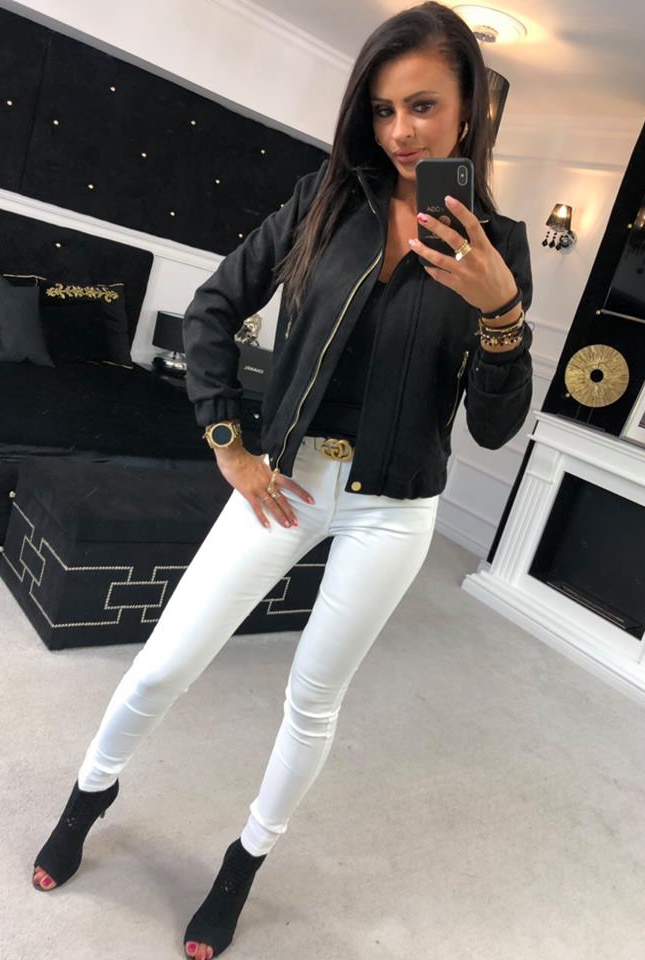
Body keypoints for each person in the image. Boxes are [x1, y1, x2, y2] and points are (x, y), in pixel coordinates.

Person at [31, 3, 533, 957]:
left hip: (395, 510)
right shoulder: (324, 201)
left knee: (313, 698)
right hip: (286, 482)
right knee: (165, 662)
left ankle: (244, 861)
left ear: (468, 109)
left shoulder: (498, 249)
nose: (400, 131)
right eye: (382, 109)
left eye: (423, 105)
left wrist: (501, 310)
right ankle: (88, 794)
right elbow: (214, 306)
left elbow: (496, 427)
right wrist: (230, 443)